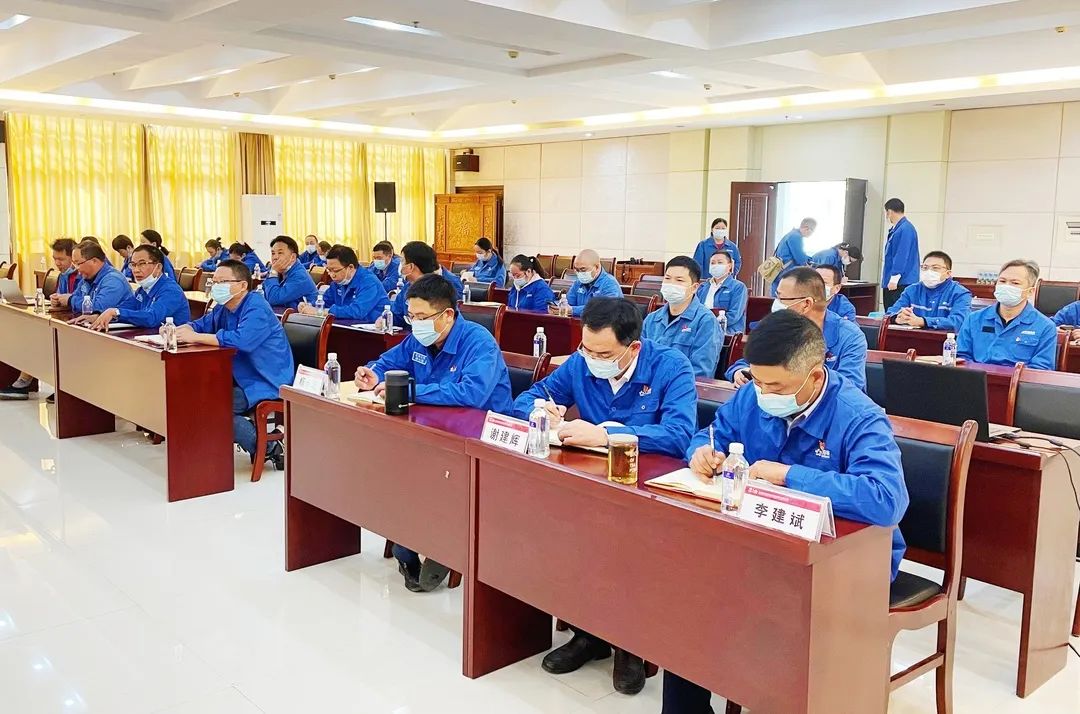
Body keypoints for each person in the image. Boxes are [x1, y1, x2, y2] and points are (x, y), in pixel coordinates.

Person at [668, 310, 908, 713]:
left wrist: (789, 476)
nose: (763, 393)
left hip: (846, 560)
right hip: (763, 537)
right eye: (757, 381)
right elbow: (710, 435)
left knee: (759, 610)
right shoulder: (752, 394)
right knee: (688, 594)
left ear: (814, 376)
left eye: (775, 385)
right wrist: (702, 453)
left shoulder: (859, 416)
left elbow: (886, 498)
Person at [511, 297, 696, 696]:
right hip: (589, 482)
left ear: (633, 347)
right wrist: (541, 411)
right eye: (587, 349)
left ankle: (630, 645)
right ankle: (589, 634)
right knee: (564, 536)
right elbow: (528, 396)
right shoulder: (582, 362)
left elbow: (679, 435)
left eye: (604, 354)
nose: (593, 359)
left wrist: (607, 434)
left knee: (627, 547)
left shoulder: (671, 366)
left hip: (646, 491)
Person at [355, 274, 512, 593]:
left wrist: (409, 389)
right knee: (387, 463)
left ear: (448, 315)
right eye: (411, 316)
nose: (415, 324)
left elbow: (471, 393)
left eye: (422, 317)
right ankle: (411, 542)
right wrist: (372, 372)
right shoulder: (419, 338)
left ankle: (437, 543)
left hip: (479, 440)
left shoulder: (478, 342)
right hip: (432, 430)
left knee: (424, 475)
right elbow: (388, 362)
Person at [175, 259, 294, 471]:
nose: (216, 286)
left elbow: (242, 340)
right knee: (195, 397)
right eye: (214, 281)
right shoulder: (224, 307)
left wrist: (196, 337)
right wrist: (182, 329)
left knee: (213, 406)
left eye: (222, 282)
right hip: (238, 377)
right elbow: (201, 325)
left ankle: (269, 447)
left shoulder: (256, 306)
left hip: (265, 379)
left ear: (242, 285)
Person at [726, 268, 868, 391]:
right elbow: (746, 362)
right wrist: (739, 372)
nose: (777, 303)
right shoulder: (778, 326)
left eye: (782, 298)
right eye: (777, 296)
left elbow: (850, 387)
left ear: (806, 304)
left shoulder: (850, 337)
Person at [0, 238, 78, 400]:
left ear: (74, 258)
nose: (57, 263)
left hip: (74, 324)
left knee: (39, 339)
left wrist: (67, 300)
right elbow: (62, 298)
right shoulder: (64, 276)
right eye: (55, 259)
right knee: (31, 333)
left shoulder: (82, 275)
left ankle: (26, 383)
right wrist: (57, 300)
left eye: (61, 259)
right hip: (63, 318)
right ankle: (24, 382)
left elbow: (81, 300)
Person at [957, 259, 1057, 370]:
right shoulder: (974, 319)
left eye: (1015, 283)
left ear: (1030, 291)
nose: (1006, 286)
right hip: (976, 378)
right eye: (1002, 281)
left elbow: (1041, 368)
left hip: (1017, 380)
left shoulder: (1045, 326)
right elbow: (961, 357)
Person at [642, 256, 720, 378]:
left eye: (679, 280)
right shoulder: (652, 319)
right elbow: (639, 359)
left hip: (683, 386)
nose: (671, 284)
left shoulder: (705, 321)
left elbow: (701, 371)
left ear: (694, 287)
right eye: (667, 278)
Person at [85, 245, 190, 330]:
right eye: (133, 265)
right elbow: (126, 307)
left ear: (158, 267)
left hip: (173, 345)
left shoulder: (171, 290)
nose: (136, 270)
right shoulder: (143, 289)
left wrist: (116, 313)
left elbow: (152, 317)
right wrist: (99, 315)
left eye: (142, 264)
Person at [884, 251, 972, 333]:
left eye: (935, 268)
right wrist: (897, 318)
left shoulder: (960, 293)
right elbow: (890, 314)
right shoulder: (911, 290)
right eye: (925, 268)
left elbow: (958, 321)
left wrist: (923, 321)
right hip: (912, 338)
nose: (929, 272)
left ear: (948, 273)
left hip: (945, 341)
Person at [385, 241, 463, 328]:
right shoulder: (409, 285)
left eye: (402, 261)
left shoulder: (450, 283)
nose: (400, 265)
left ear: (411, 266)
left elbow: (454, 321)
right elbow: (397, 315)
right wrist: (385, 320)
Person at [300, 245, 387, 321]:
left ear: (350, 267)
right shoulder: (338, 282)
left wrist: (322, 312)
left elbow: (357, 311)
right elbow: (325, 300)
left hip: (371, 329)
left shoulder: (369, 282)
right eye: (329, 270)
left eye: (335, 270)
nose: (332, 275)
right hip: (345, 326)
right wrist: (309, 305)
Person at [50, 240, 132, 313]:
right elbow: (76, 296)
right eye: (74, 264)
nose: (76, 268)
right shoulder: (86, 277)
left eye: (78, 263)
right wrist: (59, 300)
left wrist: (70, 300)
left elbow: (99, 307)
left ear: (94, 261)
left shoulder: (113, 280)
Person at [557, 249, 622, 316]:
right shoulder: (578, 283)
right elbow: (568, 304)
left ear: (597, 267)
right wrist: (562, 306)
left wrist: (573, 310)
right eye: (577, 270)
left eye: (583, 269)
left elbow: (604, 309)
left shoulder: (609, 284)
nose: (580, 273)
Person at [695, 250, 747, 334]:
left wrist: (709, 325)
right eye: (712, 263)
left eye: (720, 262)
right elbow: (695, 310)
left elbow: (733, 316)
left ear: (729, 266)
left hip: (726, 332)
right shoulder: (702, 287)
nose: (715, 266)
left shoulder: (738, 287)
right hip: (702, 329)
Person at [882, 198, 920, 310]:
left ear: (889, 212)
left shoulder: (905, 229)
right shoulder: (897, 229)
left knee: (895, 313)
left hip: (901, 282)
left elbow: (902, 255)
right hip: (897, 280)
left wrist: (894, 278)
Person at [262, 235, 318, 310]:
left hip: (305, 316)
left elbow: (273, 299)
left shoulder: (300, 276)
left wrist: (273, 272)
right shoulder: (280, 270)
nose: (275, 257)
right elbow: (262, 293)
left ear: (293, 257)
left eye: (280, 253)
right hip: (284, 313)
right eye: (273, 253)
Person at [771, 217, 816, 295]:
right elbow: (800, 258)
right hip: (786, 271)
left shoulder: (791, 234)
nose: (812, 234)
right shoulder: (796, 237)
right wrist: (810, 262)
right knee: (783, 296)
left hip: (780, 270)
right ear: (806, 228)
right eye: (813, 231)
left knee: (776, 295)